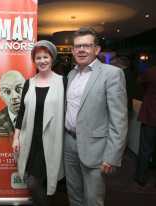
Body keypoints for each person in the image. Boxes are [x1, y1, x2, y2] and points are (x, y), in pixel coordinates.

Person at [64, 27, 128, 206]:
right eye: (77, 46)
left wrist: (112, 155)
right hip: (69, 143)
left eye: (86, 45)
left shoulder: (112, 74)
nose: (81, 50)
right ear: (73, 50)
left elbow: (119, 119)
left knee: (93, 199)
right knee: (74, 194)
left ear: (97, 49)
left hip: (96, 148)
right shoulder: (71, 74)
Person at [12, 40, 65, 206]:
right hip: (31, 140)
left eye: (45, 57)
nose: (42, 61)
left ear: (52, 58)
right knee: (31, 180)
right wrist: (16, 138)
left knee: (39, 181)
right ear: (34, 60)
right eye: (38, 57)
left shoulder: (63, 82)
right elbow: (21, 113)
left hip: (51, 140)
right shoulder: (29, 83)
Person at [134, 65, 156, 187]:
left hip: (150, 115)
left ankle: (141, 177)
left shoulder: (151, 72)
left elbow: (139, 83)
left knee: (145, 148)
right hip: (150, 114)